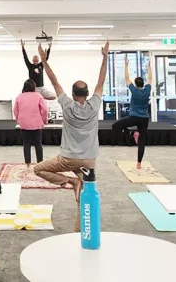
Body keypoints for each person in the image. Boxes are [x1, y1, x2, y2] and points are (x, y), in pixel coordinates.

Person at [34, 40, 108, 232]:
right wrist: (105, 57)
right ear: (88, 93)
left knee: (38, 169)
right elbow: (101, 81)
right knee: (83, 199)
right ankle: (80, 231)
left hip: (67, 160)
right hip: (89, 161)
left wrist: (44, 61)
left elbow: (54, 81)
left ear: (73, 94)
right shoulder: (95, 104)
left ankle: (71, 181)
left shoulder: (66, 104)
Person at [111, 55, 152, 169]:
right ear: (143, 84)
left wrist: (126, 65)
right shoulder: (147, 90)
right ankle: (139, 163)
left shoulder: (134, 90)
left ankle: (130, 133)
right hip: (144, 119)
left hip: (134, 117)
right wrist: (149, 67)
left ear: (135, 84)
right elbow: (150, 78)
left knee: (115, 126)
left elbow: (126, 77)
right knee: (142, 141)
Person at [14, 79, 48, 167]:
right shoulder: (38, 96)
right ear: (34, 87)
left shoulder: (19, 96)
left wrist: (19, 120)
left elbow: (15, 111)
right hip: (37, 124)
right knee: (38, 144)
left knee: (26, 144)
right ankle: (40, 164)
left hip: (24, 124)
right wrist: (44, 120)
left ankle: (28, 164)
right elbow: (44, 110)